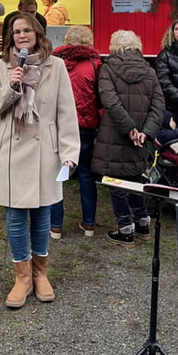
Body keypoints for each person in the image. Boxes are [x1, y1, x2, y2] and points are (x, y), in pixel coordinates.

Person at [0, 12, 79, 308]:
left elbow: (66, 112)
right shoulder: (2, 67)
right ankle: (21, 277)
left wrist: (69, 153)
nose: (21, 35)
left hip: (45, 150)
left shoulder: (57, 66)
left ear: (38, 33)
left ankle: (40, 274)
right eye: (16, 31)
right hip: (11, 149)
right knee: (14, 215)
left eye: (27, 30)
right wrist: (11, 87)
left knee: (41, 214)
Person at [92, 30, 165, 248]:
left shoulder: (107, 68)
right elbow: (158, 105)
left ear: (114, 46)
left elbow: (110, 102)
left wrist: (129, 129)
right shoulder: (149, 71)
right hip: (141, 136)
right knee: (135, 178)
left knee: (116, 182)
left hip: (115, 133)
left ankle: (125, 230)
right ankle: (142, 223)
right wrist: (145, 132)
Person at [49, 26, 103, 238]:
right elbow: (100, 95)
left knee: (57, 174)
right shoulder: (94, 63)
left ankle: (55, 226)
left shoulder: (54, 63)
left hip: (59, 125)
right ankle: (88, 224)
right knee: (86, 175)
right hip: (85, 124)